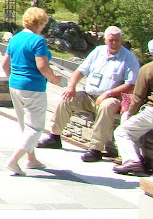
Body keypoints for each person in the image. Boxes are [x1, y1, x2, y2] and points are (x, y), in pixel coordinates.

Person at [37, 26, 140, 162]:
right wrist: (71, 87)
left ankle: (96, 149)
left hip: (112, 97)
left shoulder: (129, 58)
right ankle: (54, 137)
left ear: (121, 40)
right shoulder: (98, 51)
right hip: (89, 95)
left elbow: (131, 84)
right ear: (105, 40)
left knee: (106, 107)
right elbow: (80, 71)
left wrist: (108, 93)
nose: (114, 43)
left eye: (117, 40)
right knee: (66, 99)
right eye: (111, 40)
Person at [1, 7, 62, 175]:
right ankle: (14, 161)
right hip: (33, 88)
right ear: (40, 23)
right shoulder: (38, 41)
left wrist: (14, 79)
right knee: (35, 128)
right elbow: (42, 66)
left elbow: (5, 65)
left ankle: (31, 159)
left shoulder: (15, 39)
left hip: (15, 86)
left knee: (24, 125)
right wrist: (55, 79)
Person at [112, 38, 153, 177]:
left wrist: (129, 112)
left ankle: (132, 160)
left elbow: (138, 97)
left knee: (122, 131)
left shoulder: (148, 69)